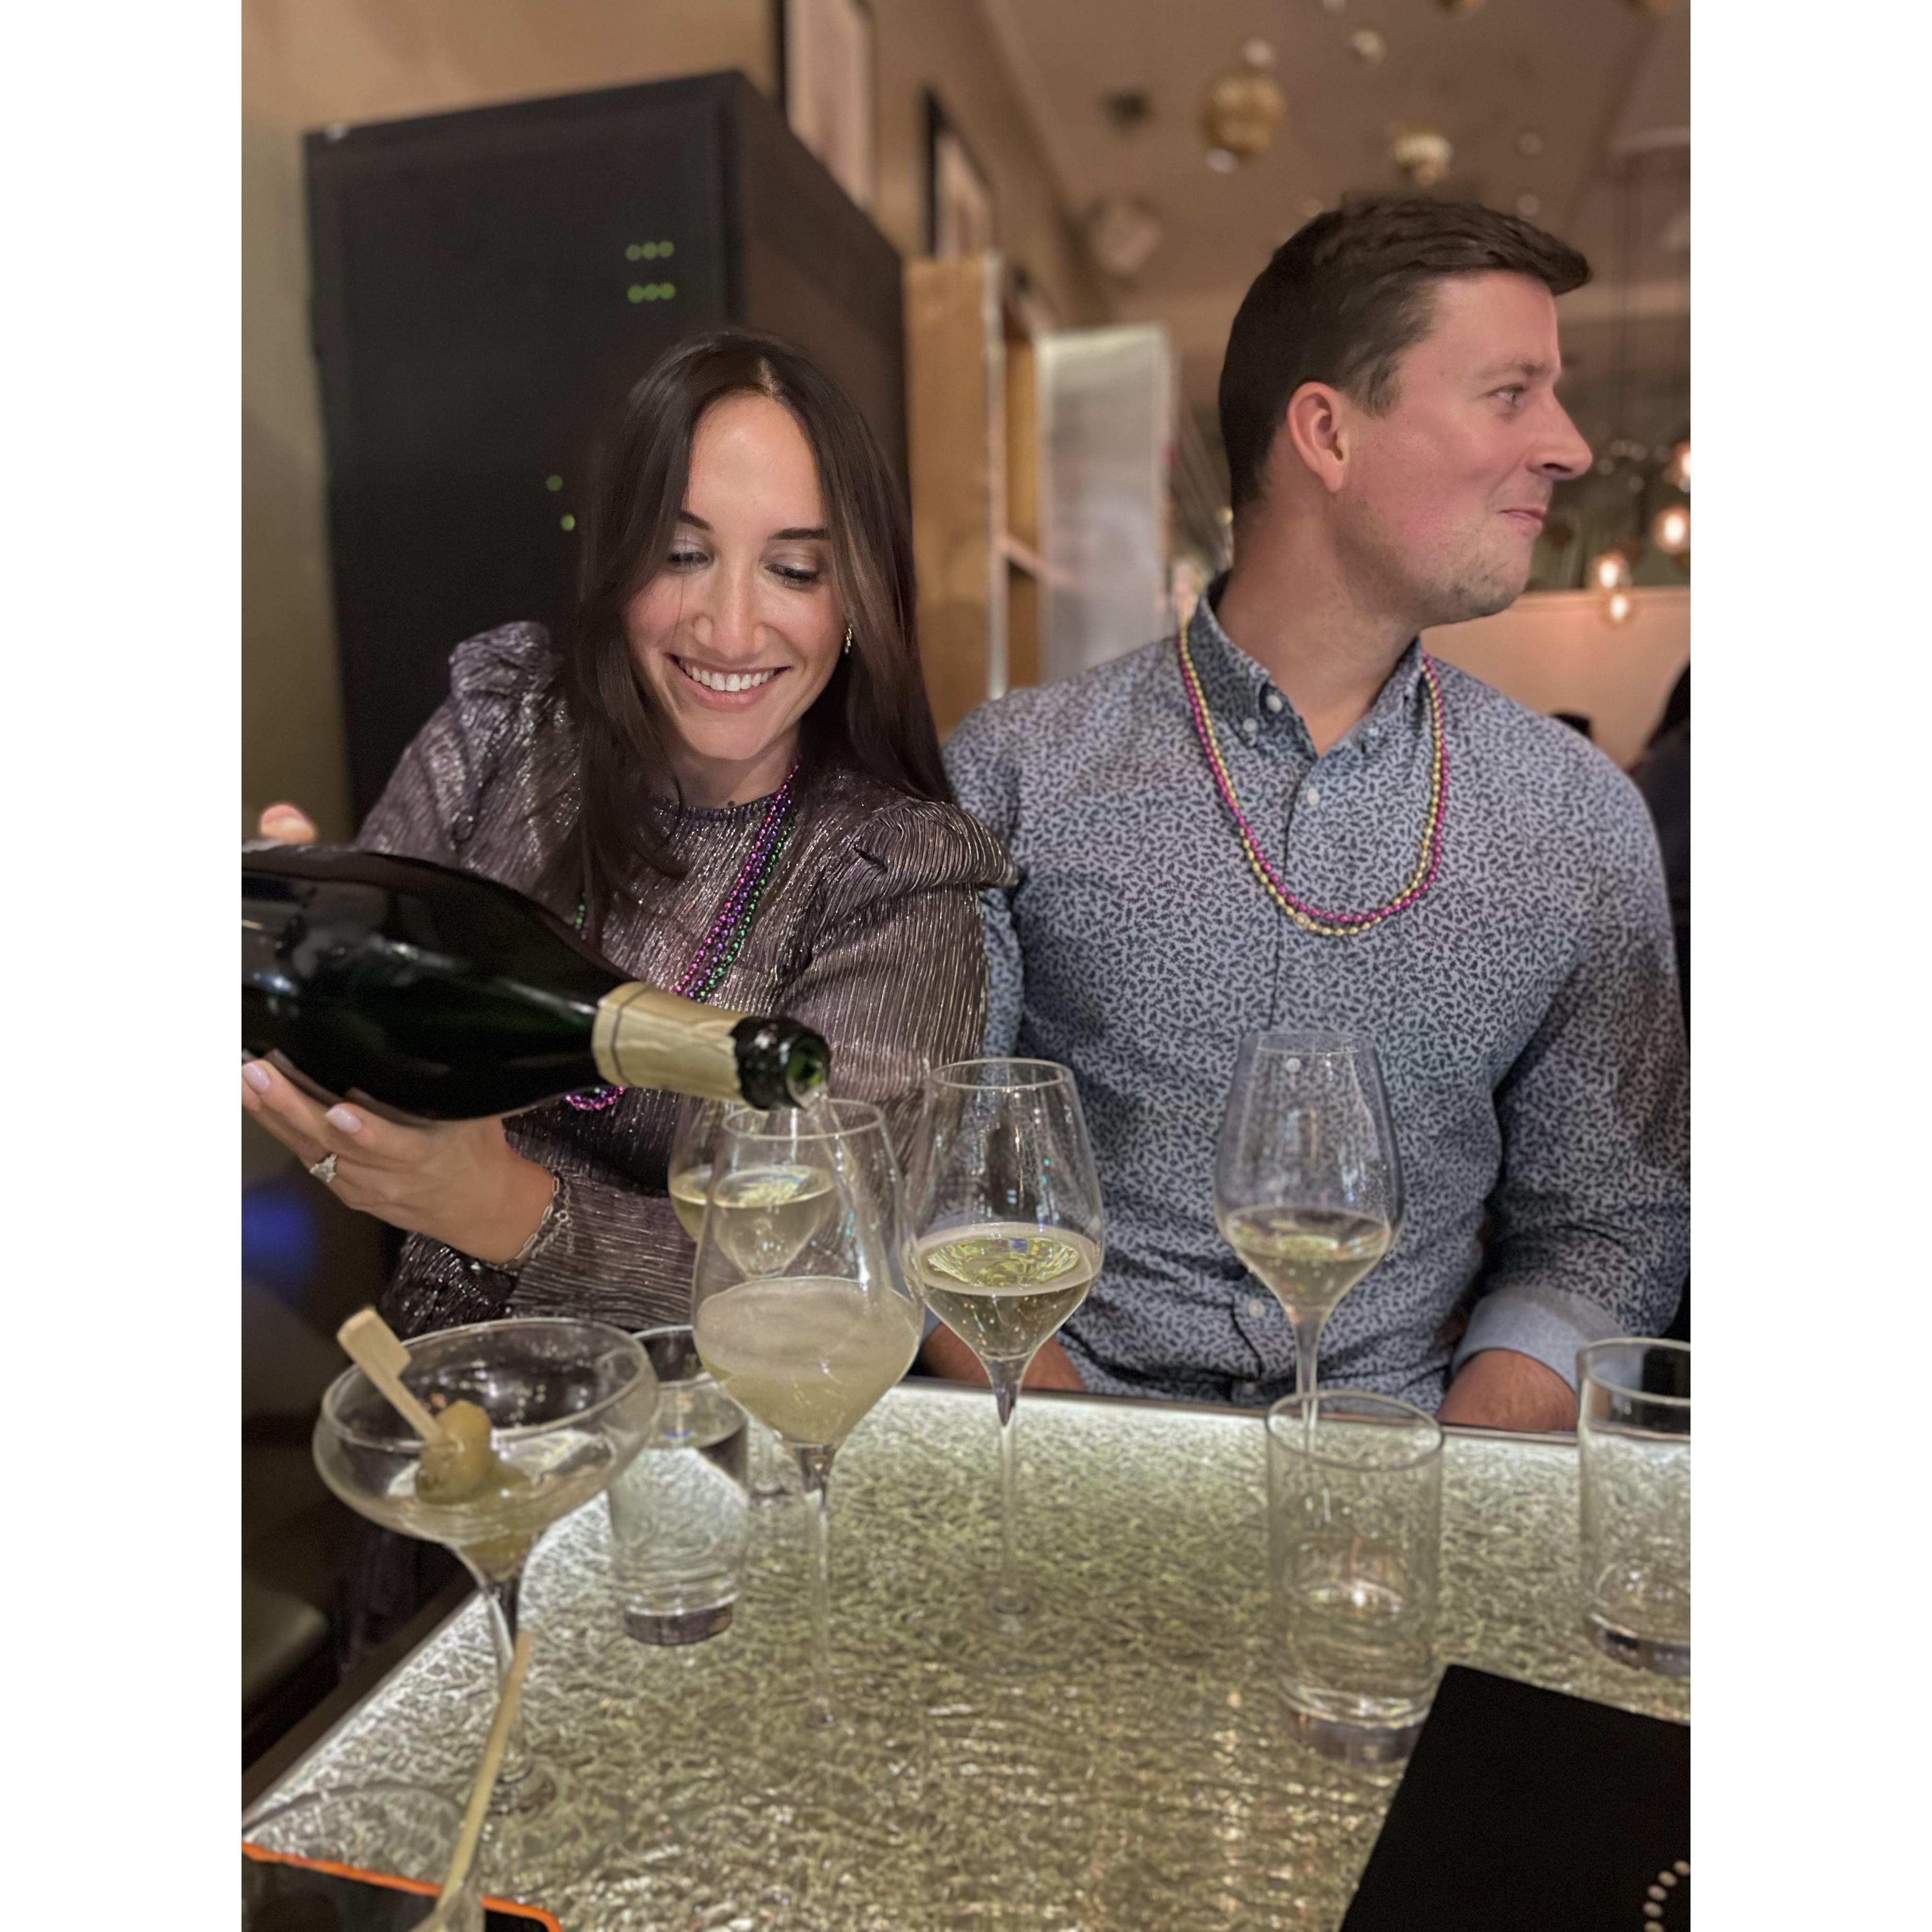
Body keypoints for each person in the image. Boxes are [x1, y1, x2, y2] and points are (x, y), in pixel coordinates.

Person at [936, 198, 1689, 1430]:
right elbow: (932, 1181)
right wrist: (1088, 1475)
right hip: (1066, 1439)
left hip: (1414, 1450)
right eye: (1511, 394)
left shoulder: (1576, 820)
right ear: (1328, 434)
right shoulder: (1017, 774)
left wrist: (1448, 1481)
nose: (1568, 447)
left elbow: (1606, 1223)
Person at [243, 330, 1011, 1342]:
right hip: (441, 1378)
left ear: (858, 601)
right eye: (682, 555)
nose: (731, 629)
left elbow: (834, 1277)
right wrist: (289, 958)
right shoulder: (509, 726)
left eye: (793, 570)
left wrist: (497, 1206)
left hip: (725, 1415)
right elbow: (369, 1015)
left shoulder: (894, 878)